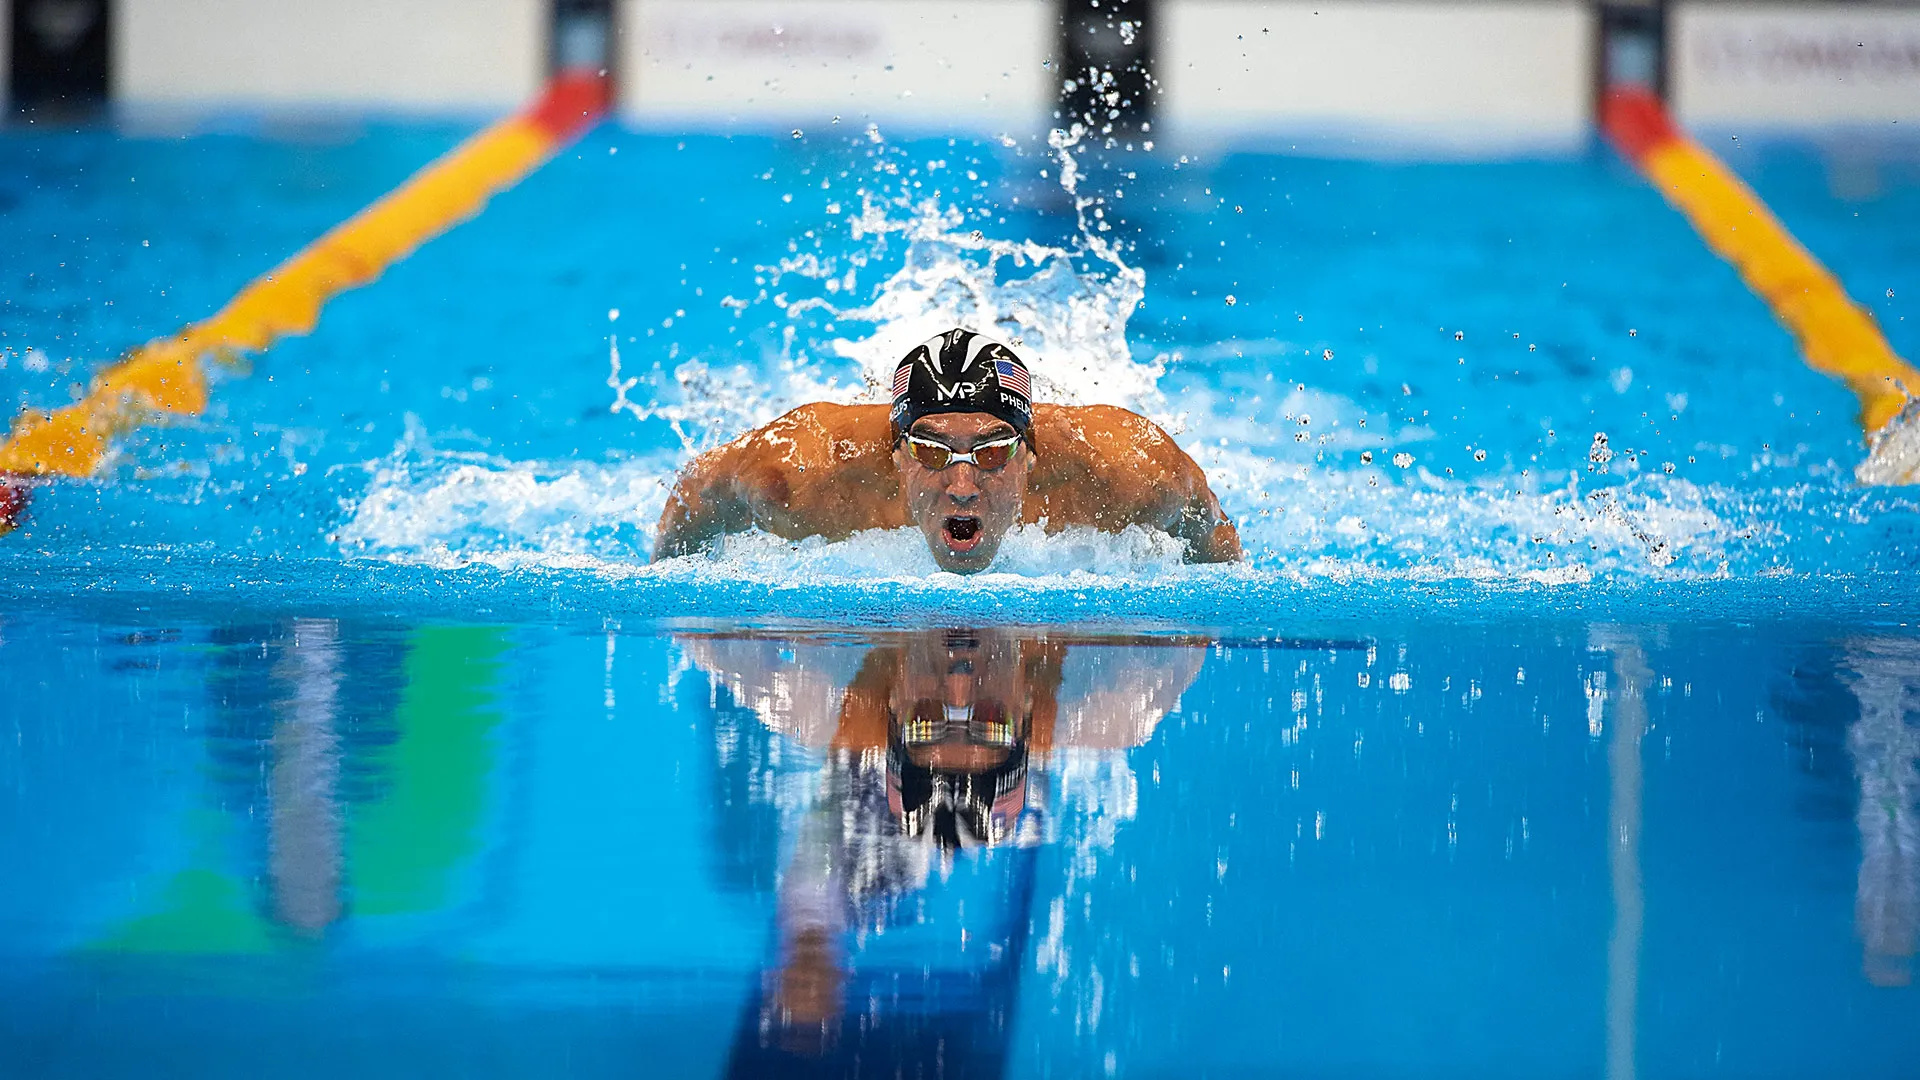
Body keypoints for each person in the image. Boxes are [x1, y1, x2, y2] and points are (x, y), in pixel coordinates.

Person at [653, 328, 1242, 572]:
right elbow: (692, 493)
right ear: (897, 455)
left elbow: (1216, 541)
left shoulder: (1132, 471)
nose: (962, 487)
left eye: (991, 454)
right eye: (933, 453)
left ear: (1031, 454)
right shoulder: (796, 475)